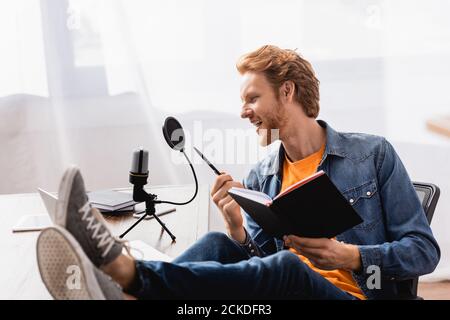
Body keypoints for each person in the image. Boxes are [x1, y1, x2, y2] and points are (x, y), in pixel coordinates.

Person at [36, 45, 440, 300]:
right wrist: (237, 229)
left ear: (287, 91)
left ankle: (124, 277)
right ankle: (129, 290)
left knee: (288, 268)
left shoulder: (370, 154)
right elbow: (257, 265)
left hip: (359, 296)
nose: (244, 111)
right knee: (216, 244)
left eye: (252, 98)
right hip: (288, 295)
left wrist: (350, 255)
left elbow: (424, 252)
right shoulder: (265, 171)